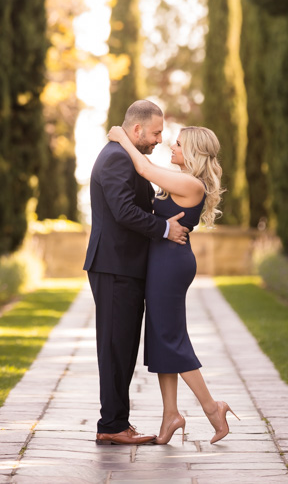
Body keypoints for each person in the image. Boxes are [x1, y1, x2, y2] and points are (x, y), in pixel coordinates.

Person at [105, 121, 237, 443]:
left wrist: (122, 135)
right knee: (161, 337)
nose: (172, 147)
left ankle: (212, 408)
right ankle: (171, 415)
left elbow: (144, 167)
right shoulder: (181, 181)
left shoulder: (192, 185)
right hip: (163, 261)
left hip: (171, 264)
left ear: (192, 151)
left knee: (170, 338)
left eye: (178, 144)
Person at [83, 99, 187, 445]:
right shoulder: (116, 158)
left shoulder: (128, 157)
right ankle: (111, 425)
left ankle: (117, 422)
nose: (159, 139)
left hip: (125, 267)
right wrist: (163, 229)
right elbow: (124, 210)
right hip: (114, 267)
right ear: (138, 129)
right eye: (156, 132)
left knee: (123, 347)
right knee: (115, 347)